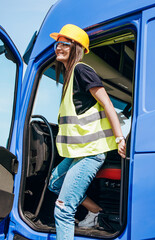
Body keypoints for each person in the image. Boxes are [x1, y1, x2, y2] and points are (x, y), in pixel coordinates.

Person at [47, 24, 126, 240]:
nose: (59, 47)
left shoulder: (82, 70)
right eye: (58, 43)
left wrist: (119, 137)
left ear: (77, 48)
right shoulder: (69, 77)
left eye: (65, 43)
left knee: (63, 210)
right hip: (77, 152)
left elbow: (108, 104)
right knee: (55, 182)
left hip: (91, 152)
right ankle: (96, 212)